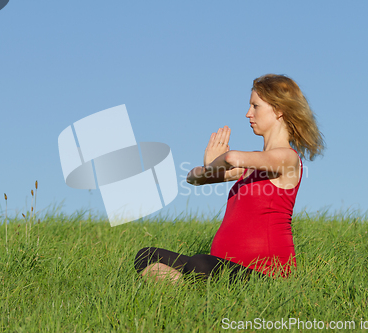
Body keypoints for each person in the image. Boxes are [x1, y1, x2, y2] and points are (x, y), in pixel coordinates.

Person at [134, 74, 324, 284]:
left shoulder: (287, 158)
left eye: (255, 106)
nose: (248, 114)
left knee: (200, 264)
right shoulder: (252, 166)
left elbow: (232, 157)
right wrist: (210, 167)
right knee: (147, 255)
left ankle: (190, 286)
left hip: (266, 274)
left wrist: (215, 162)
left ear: (279, 110)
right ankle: (190, 287)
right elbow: (194, 178)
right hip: (224, 266)